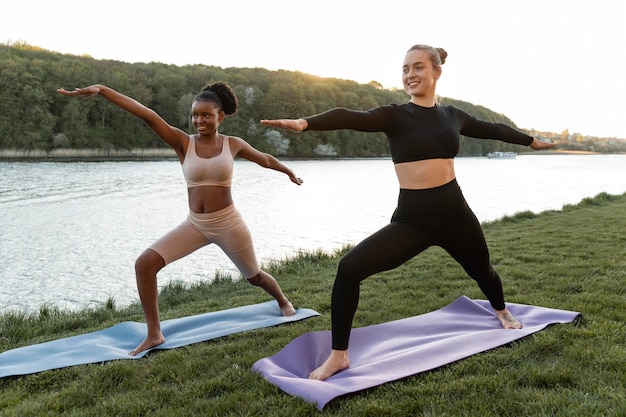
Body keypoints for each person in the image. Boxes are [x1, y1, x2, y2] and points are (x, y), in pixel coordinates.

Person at [260, 44, 557, 380]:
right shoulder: (395, 115)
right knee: (349, 268)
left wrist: (530, 141)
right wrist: (304, 123)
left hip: (455, 214)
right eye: (405, 69)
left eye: (418, 67)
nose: (410, 75)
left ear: (436, 72)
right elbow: (349, 116)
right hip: (412, 221)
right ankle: (339, 356)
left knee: (483, 271)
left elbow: (494, 129)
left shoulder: (453, 116)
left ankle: (501, 311)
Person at [58, 82, 302, 356]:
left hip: (229, 223)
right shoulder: (183, 142)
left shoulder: (233, 144)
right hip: (196, 225)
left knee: (254, 277)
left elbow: (265, 159)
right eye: (195, 115)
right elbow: (146, 114)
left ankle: (282, 300)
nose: (199, 120)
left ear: (220, 117)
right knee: (144, 265)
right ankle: (154, 334)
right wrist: (102, 90)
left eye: (206, 115)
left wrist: (287, 171)